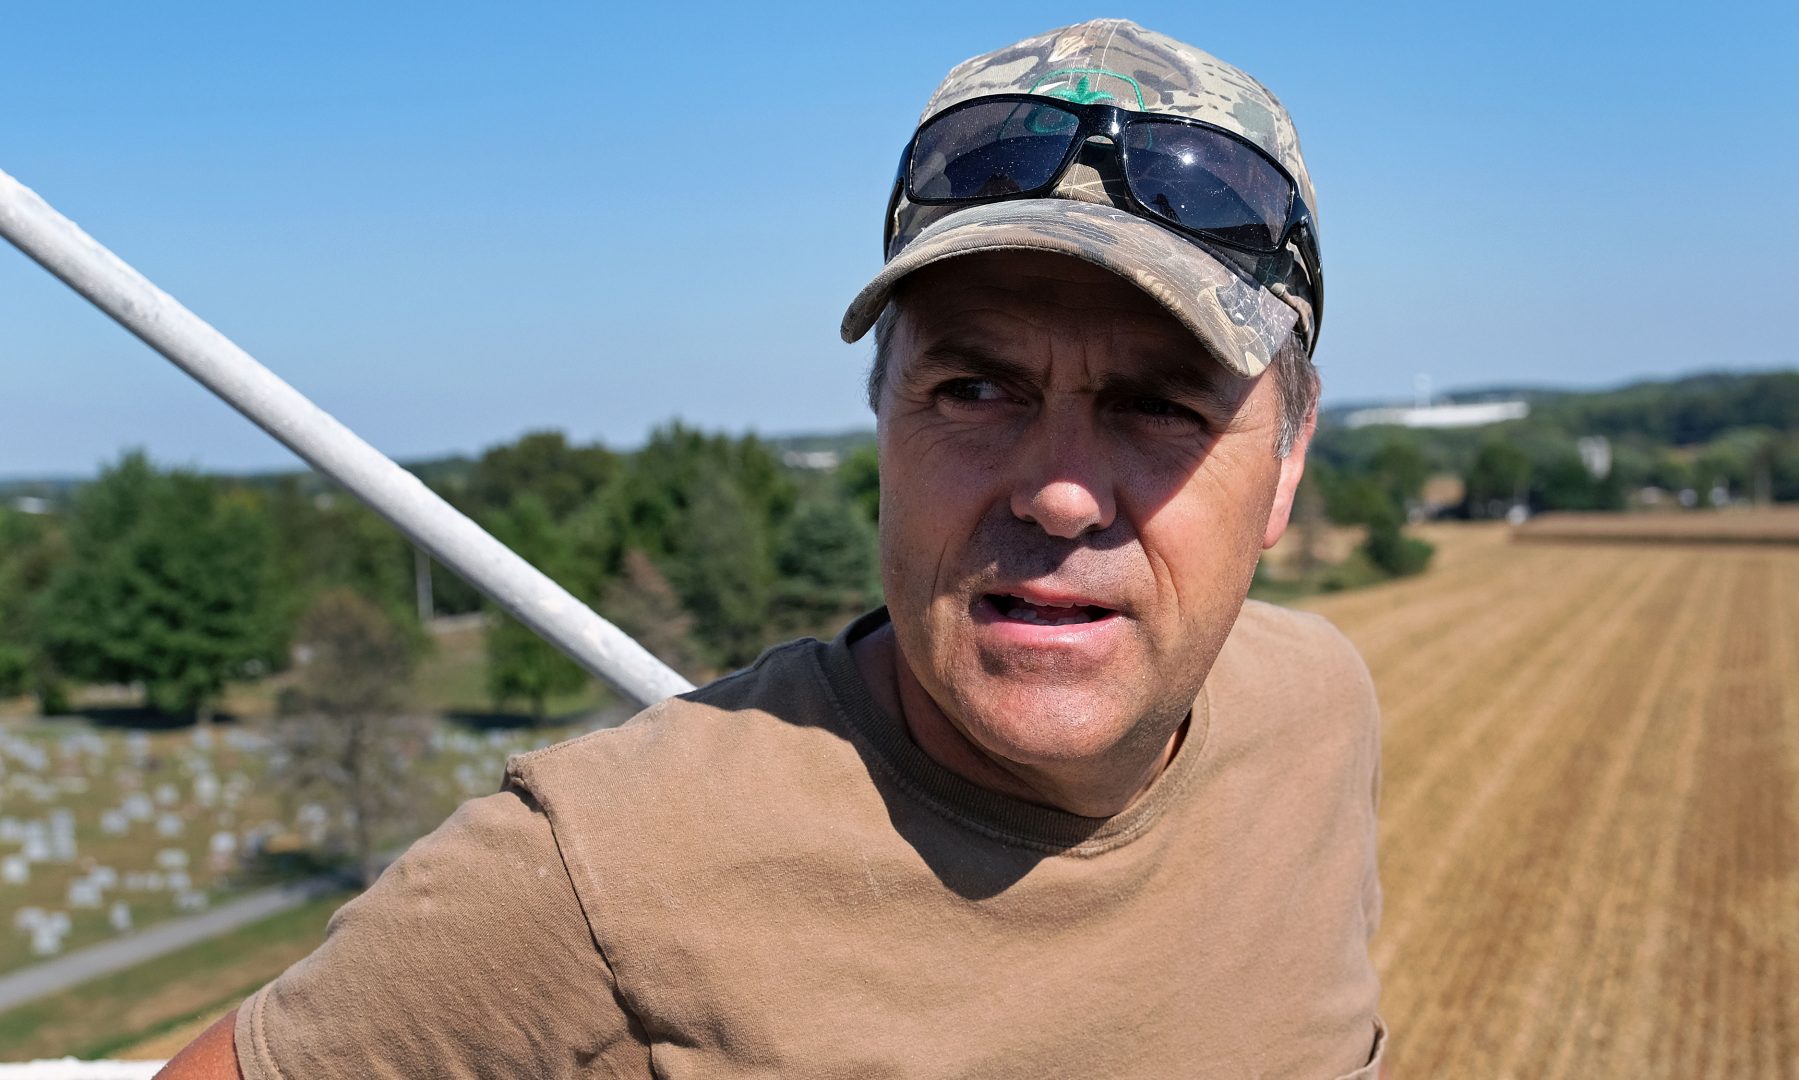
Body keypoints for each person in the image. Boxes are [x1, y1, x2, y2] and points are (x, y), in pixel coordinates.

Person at [162, 18, 1384, 1079]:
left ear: (1286, 459)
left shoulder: (1318, 708)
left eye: (1160, 407)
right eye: (975, 390)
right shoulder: (597, 870)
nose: (1060, 495)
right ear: (880, 414)